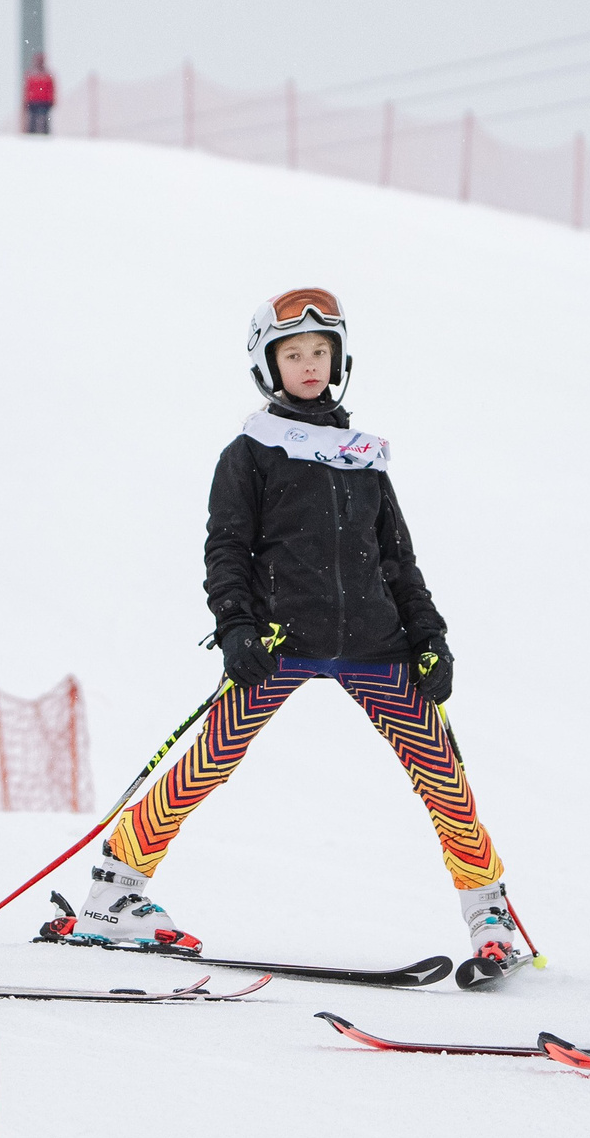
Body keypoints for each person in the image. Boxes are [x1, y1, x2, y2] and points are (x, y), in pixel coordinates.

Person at [45, 288, 534, 981]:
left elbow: (397, 557)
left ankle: (490, 913)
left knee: (440, 774)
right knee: (207, 760)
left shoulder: (364, 455)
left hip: (376, 644)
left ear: (339, 361)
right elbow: (227, 551)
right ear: (268, 365)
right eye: (294, 353)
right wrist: (237, 629)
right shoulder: (251, 451)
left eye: (321, 352)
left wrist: (430, 636)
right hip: (278, 641)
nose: (310, 364)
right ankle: (113, 892)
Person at [22, 52, 56, 136]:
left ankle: (45, 135)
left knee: (45, 120)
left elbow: (51, 89)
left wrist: (51, 100)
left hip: (44, 102)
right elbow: (27, 88)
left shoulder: (47, 74)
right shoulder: (31, 74)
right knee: (32, 120)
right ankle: (31, 136)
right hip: (33, 101)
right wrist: (26, 100)